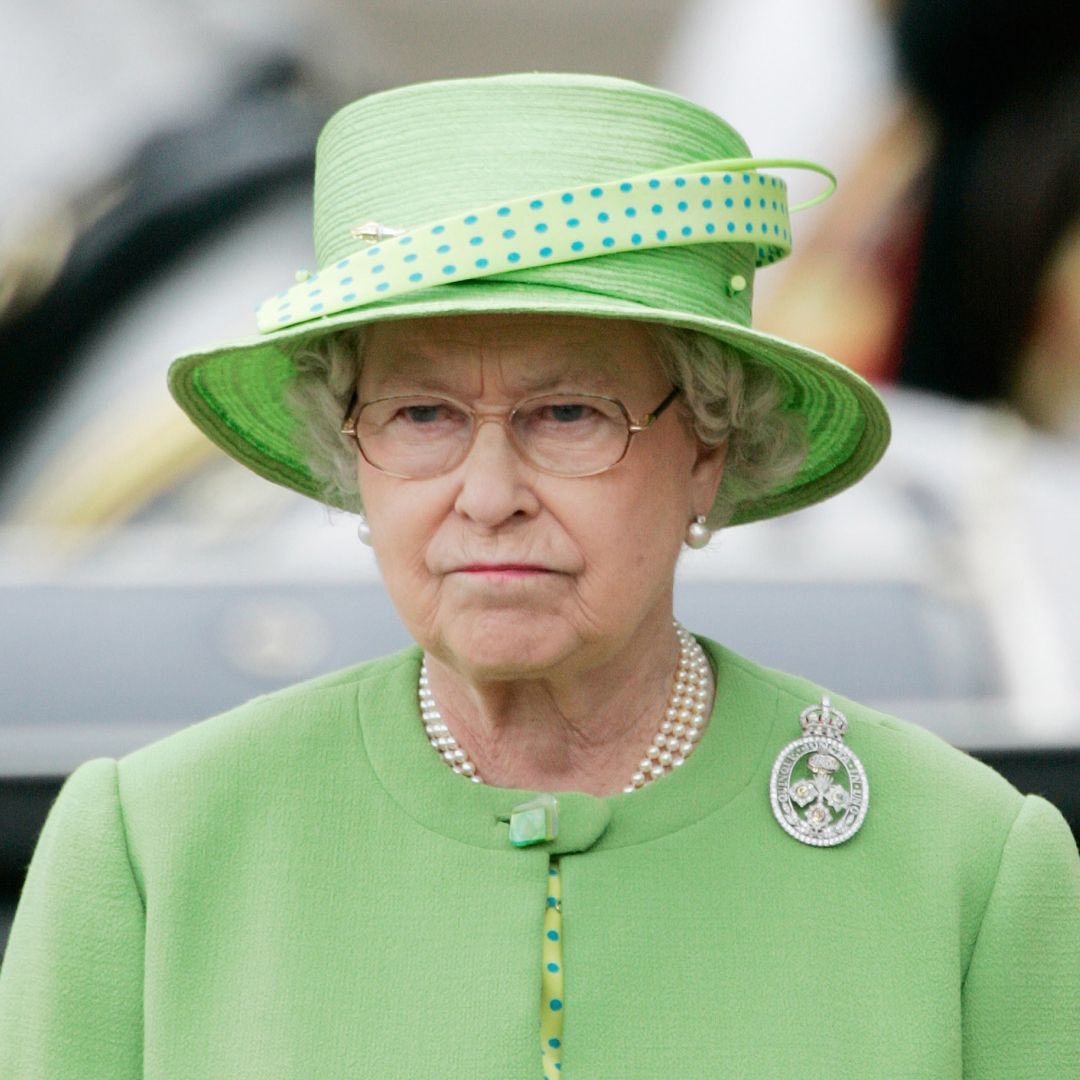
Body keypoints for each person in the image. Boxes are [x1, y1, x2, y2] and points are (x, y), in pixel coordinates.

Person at [0, 73, 1076, 1079]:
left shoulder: (968, 868)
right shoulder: (146, 853)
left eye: (569, 414)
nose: (487, 491)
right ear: (352, 455)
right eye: (420, 414)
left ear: (707, 444)